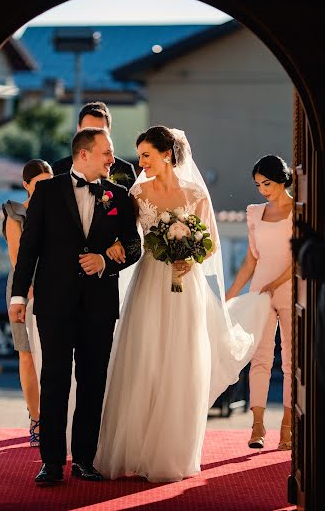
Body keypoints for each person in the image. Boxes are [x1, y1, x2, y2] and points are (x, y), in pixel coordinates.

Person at [94, 126, 271, 483]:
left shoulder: (195, 194)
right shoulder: (136, 193)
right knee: (145, 358)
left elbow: (211, 245)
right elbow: (128, 236)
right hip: (148, 283)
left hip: (184, 284)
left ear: (167, 155)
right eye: (140, 154)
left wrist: (190, 260)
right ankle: (135, 448)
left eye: (146, 155)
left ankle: (169, 452)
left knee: (180, 361)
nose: (140, 162)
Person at [9, 127, 141, 486]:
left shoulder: (118, 195)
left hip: (98, 304)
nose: (113, 159)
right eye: (106, 153)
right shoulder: (48, 191)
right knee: (53, 381)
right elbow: (29, 248)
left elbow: (134, 245)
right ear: (84, 154)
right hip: (54, 302)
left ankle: (84, 459)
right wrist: (18, 296)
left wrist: (105, 261)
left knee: (93, 382)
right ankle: (51, 462)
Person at [225, 154, 293, 451]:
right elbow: (252, 258)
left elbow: (301, 256)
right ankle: (257, 426)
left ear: (281, 179)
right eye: (258, 185)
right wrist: (232, 293)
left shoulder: (301, 210)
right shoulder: (254, 212)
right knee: (260, 358)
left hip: (291, 289)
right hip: (259, 291)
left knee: (292, 362)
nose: (263, 189)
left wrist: (277, 283)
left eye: (267, 183)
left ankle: (288, 428)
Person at [2, 158, 53, 446]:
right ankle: (36, 420)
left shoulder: (57, 211)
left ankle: (56, 418)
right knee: (28, 356)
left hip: (55, 288)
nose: (44, 190)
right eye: (39, 185)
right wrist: (30, 291)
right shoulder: (15, 214)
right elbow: (16, 257)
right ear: (26, 185)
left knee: (54, 357)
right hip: (25, 289)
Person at [53, 101, 137, 188]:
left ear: (109, 130)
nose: (94, 137)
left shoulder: (125, 170)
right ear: (78, 129)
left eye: (100, 131)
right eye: (88, 131)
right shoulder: (59, 168)